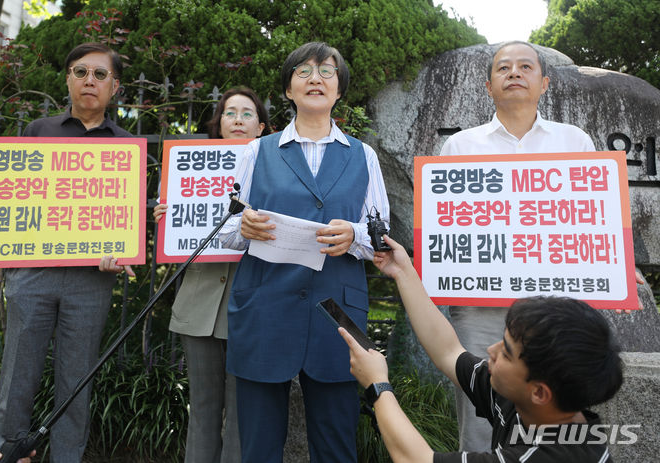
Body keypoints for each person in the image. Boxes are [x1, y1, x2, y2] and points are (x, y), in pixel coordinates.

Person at [219, 41, 390, 462]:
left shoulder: (363, 156)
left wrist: (355, 235)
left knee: (336, 441)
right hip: (265, 304)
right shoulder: (257, 151)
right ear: (289, 90)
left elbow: (380, 234)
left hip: (337, 312)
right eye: (304, 72)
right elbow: (223, 229)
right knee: (258, 444)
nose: (316, 78)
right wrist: (242, 226)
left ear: (339, 89)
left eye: (327, 71)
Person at [438, 40, 598, 451]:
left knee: (557, 409)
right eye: (503, 68)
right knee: (480, 411)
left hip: (557, 307)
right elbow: (447, 226)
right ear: (488, 85)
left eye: (525, 67)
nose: (514, 73)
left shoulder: (575, 142)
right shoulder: (459, 147)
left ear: (543, 82)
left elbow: (595, 217)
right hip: (479, 306)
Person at [340, 234, 623, 463]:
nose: (491, 349)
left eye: (506, 352)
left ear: (539, 391)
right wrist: (403, 272)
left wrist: (378, 386)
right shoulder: (532, 403)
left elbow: (417, 459)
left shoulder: (543, 456)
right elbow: (449, 352)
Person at [0, 42, 134, 463]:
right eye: (81, 71)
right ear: (68, 78)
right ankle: (3, 456)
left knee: (76, 385)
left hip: (92, 281)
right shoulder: (37, 131)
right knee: (16, 379)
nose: (90, 81)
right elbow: (12, 201)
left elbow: (126, 219)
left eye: (100, 75)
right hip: (33, 274)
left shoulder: (128, 146)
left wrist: (119, 253)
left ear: (115, 87)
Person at [153, 86, 270, 463]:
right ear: (218, 123)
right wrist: (165, 221)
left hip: (253, 305)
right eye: (230, 112)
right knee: (201, 410)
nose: (237, 119)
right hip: (199, 303)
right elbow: (176, 242)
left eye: (247, 113)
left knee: (243, 413)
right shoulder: (189, 166)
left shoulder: (276, 170)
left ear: (263, 127)